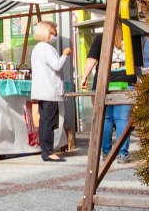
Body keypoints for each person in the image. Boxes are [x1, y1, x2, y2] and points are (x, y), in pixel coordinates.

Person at [80, 22, 136, 163]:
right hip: (125, 81)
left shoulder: (101, 38)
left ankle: (107, 153)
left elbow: (92, 59)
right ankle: (122, 154)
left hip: (103, 82)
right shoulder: (130, 37)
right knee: (122, 118)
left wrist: (84, 77)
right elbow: (138, 61)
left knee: (105, 119)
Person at [31, 21, 71, 162]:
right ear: (46, 33)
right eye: (53, 32)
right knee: (49, 122)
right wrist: (65, 54)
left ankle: (45, 151)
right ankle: (48, 152)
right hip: (50, 91)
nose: (55, 35)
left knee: (44, 122)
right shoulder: (47, 48)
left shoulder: (37, 48)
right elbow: (57, 65)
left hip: (41, 90)